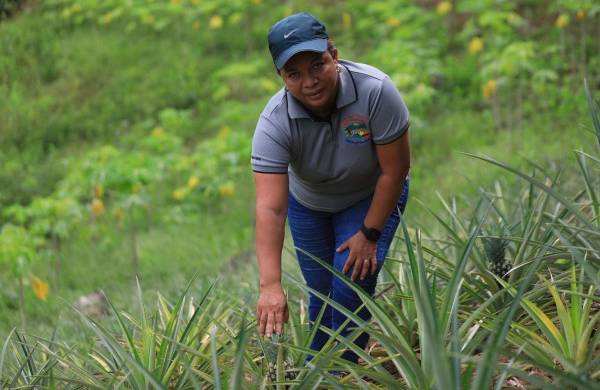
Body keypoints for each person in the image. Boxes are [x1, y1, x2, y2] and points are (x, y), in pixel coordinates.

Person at [251, 12, 410, 365]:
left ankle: (341, 371)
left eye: (317, 65)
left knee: (351, 282)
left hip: (370, 194)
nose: (310, 82)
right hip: (309, 205)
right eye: (294, 74)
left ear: (334, 56)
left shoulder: (375, 91)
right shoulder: (274, 123)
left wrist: (369, 233)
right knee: (322, 293)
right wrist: (270, 286)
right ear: (282, 77)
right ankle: (319, 369)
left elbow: (396, 169)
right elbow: (270, 208)